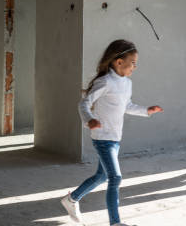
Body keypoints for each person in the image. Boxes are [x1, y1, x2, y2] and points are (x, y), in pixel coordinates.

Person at [60, 39, 163, 226]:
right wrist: (89, 119)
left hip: (115, 138)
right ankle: (115, 223)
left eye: (136, 64)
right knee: (115, 177)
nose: (135, 67)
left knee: (102, 176)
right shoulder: (105, 82)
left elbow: (127, 106)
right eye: (133, 63)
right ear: (118, 62)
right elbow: (84, 102)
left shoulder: (127, 84)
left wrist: (147, 110)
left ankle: (71, 199)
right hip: (103, 138)